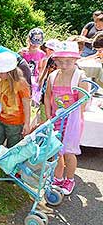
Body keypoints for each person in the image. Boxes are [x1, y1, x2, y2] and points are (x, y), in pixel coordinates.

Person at [44, 41, 89, 195]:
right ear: (55, 61)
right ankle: (57, 177)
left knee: (69, 151)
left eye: (68, 62)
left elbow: (83, 102)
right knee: (56, 149)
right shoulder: (53, 76)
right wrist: (49, 115)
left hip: (72, 121)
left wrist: (71, 117)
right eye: (60, 62)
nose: (64, 65)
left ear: (75, 60)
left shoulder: (80, 77)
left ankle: (69, 179)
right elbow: (48, 96)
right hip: (57, 119)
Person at [19, 28, 46, 104]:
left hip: (35, 78)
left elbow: (41, 68)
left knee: (32, 98)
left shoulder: (42, 54)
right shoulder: (22, 52)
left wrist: (40, 80)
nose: (34, 45)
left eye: (37, 43)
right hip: (23, 77)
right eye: (33, 42)